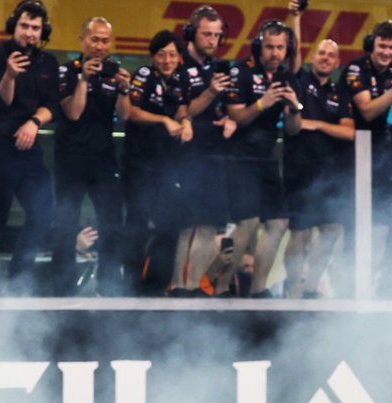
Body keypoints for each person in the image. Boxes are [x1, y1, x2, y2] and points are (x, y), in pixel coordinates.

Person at [0, 0, 58, 294]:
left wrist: (34, 122)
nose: (29, 33)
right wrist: (10, 75)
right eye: (24, 26)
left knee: (43, 212)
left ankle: (17, 280)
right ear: (14, 26)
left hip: (29, 147)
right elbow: (0, 102)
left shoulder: (48, 62)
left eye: (35, 28)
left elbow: (51, 106)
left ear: (42, 31)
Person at [49, 15, 129, 296]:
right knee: (66, 222)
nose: (99, 46)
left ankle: (110, 286)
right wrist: (83, 78)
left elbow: (125, 115)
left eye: (105, 41)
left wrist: (124, 90)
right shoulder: (66, 71)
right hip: (70, 157)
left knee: (112, 222)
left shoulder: (113, 73)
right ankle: (62, 289)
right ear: (82, 40)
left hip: (104, 158)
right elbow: (73, 112)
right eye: (95, 39)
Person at [221, 19, 299, 298]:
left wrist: (295, 108)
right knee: (248, 222)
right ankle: (221, 287)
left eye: (280, 48)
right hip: (239, 155)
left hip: (267, 156)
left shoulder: (285, 77)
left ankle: (258, 289)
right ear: (258, 46)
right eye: (269, 47)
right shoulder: (240, 71)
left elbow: (293, 130)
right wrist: (261, 103)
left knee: (279, 223)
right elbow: (237, 117)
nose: (275, 53)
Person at [343, 20, 392, 289]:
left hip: (384, 156)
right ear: (370, 45)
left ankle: (380, 282)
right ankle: (348, 285)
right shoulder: (355, 68)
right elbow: (367, 111)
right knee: (353, 225)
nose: (387, 52)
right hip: (351, 154)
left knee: (388, 221)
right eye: (382, 46)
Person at [283, 36, 352, 299]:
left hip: (331, 172)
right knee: (300, 232)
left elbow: (349, 132)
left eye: (331, 55)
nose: (325, 58)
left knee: (331, 230)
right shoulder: (299, 80)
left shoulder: (339, 92)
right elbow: (293, 49)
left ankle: (311, 288)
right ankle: (293, 287)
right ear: (312, 56)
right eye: (321, 53)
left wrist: (318, 125)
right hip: (299, 169)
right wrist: (296, 18)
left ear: (337, 62)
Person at [169, 5, 231, 295]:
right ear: (192, 33)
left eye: (217, 35)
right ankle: (178, 285)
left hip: (213, 152)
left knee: (209, 224)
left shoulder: (216, 68)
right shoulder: (177, 64)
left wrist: (227, 117)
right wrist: (211, 92)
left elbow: (219, 107)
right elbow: (183, 111)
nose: (212, 40)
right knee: (186, 224)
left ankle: (194, 286)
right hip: (185, 154)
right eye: (207, 34)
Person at [122, 30, 188, 288]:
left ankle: (157, 285)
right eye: (161, 55)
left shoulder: (181, 78)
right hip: (139, 163)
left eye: (172, 55)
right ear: (153, 56)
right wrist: (163, 119)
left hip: (169, 166)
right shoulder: (143, 75)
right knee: (137, 223)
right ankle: (129, 285)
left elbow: (183, 108)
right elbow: (131, 112)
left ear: (179, 57)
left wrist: (186, 121)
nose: (167, 60)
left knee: (170, 225)